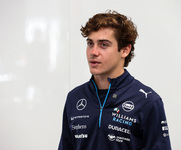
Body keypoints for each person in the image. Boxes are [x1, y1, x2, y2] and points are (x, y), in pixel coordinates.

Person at [58, 10, 171, 150]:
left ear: (125, 50)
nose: (93, 52)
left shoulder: (148, 101)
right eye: (90, 43)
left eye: (103, 45)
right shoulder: (74, 97)